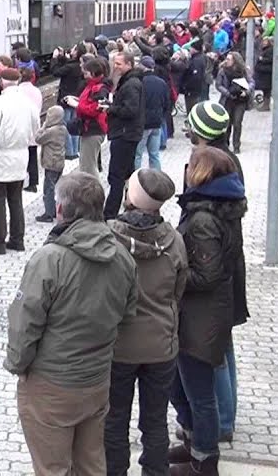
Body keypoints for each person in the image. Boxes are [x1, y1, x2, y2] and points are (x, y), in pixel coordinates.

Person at [5, 171, 138, 475]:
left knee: (53, 468)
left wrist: (18, 364)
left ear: (63, 210)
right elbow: (128, 314)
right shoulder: (122, 255)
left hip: (51, 385)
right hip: (96, 381)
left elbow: (25, 323)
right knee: (91, 465)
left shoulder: (50, 259)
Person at [103, 169, 188, 476]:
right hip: (161, 347)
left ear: (130, 197)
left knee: (114, 420)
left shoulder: (109, 238)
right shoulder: (175, 241)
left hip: (118, 348)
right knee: (154, 421)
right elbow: (179, 291)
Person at [169, 147, 246, 476]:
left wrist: (171, 271)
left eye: (192, 166)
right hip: (208, 313)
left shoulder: (202, 218)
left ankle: (204, 459)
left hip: (200, 318)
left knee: (199, 392)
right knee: (180, 384)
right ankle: (191, 442)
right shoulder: (223, 206)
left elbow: (207, 273)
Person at [0, 68, 40, 255]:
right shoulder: (29, 104)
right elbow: (36, 129)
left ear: (1, 82)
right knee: (16, 200)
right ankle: (18, 239)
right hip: (20, 156)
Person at [103, 51, 145, 220]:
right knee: (127, 173)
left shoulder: (131, 84)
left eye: (119, 63)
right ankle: (131, 203)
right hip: (128, 133)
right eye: (115, 63)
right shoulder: (131, 82)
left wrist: (110, 109)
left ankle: (110, 213)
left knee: (116, 175)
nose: (115, 66)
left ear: (129, 64)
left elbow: (130, 110)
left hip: (124, 134)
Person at [70, 57, 111, 177]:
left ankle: (93, 192)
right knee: (86, 164)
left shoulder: (99, 89)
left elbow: (95, 110)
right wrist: (77, 100)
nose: (84, 75)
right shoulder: (93, 86)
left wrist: (77, 105)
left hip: (93, 129)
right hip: (88, 129)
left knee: (88, 167)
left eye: (86, 72)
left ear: (94, 73)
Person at [34, 105, 67, 224]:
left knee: (48, 188)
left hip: (51, 163)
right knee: (54, 187)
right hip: (59, 162)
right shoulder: (63, 128)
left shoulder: (51, 131)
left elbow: (38, 139)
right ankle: (54, 209)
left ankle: (48, 213)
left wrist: (43, 126)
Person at [136, 55, 170, 170]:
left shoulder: (140, 82)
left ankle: (136, 179)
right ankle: (157, 179)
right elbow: (166, 102)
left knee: (138, 155)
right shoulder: (161, 82)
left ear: (143, 66)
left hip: (143, 123)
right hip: (157, 122)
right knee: (154, 154)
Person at [51, 45, 85, 160]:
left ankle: (69, 152)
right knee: (74, 125)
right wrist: (63, 58)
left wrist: (55, 58)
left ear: (77, 53)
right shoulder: (80, 66)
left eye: (74, 49)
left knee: (66, 125)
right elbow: (68, 65)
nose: (72, 50)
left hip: (66, 98)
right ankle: (75, 150)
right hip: (76, 98)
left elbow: (55, 72)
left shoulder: (71, 67)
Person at [214, 52, 251, 154]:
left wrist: (247, 91)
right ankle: (225, 144)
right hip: (227, 100)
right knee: (227, 123)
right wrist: (227, 93)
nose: (227, 61)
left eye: (229, 59)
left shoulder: (243, 71)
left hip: (240, 101)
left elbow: (251, 82)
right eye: (226, 59)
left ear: (235, 61)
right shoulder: (222, 71)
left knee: (237, 123)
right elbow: (218, 85)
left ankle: (236, 145)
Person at [19, 66, 44, 192]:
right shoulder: (37, 91)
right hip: (34, 126)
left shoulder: (18, 92)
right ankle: (34, 182)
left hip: (21, 128)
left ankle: (21, 181)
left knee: (22, 155)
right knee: (33, 154)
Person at [254, 37, 274, 111]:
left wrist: (262, 59)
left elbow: (270, 60)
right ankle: (265, 104)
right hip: (263, 72)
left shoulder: (270, 50)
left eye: (265, 41)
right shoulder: (264, 49)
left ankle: (266, 105)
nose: (264, 42)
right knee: (265, 90)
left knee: (267, 90)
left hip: (266, 73)